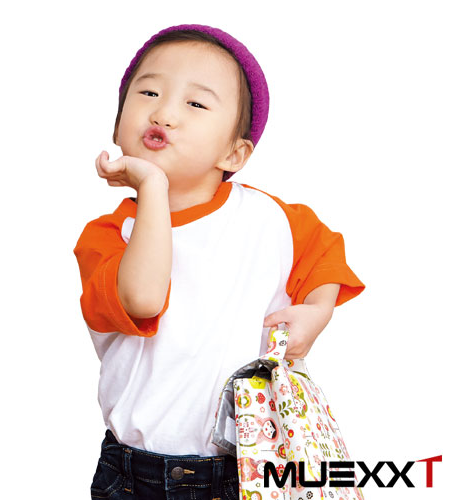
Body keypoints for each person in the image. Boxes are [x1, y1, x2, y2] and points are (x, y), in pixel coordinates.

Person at [73, 23, 365, 500]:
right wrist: (152, 187)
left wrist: (317, 310)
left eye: (195, 104)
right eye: (149, 93)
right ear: (118, 125)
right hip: (135, 474)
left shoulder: (271, 219)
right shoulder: (108, 235)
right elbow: (143, 299)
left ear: (235, 152)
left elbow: (325, 254)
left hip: (247, 467)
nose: (164, 112)